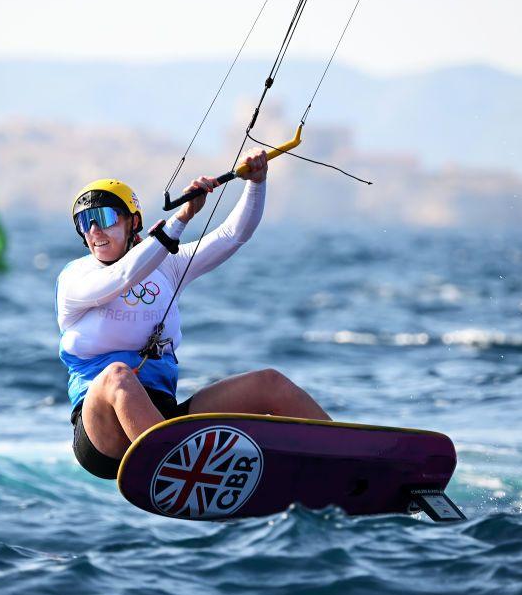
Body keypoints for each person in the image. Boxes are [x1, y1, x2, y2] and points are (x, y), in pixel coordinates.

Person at [56, 150, 331, 480]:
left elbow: (233, 235)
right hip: (101, 434)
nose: (94, 231)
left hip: (163, 420)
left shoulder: (169, 265)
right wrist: (181, 218)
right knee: (118, 375)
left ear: (134, 222)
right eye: (85, 223)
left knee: (270, 383)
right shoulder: (75, 278)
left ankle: (351, 458)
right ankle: (183, 473)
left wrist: (257, 183)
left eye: (105, 218)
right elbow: (122, 277)